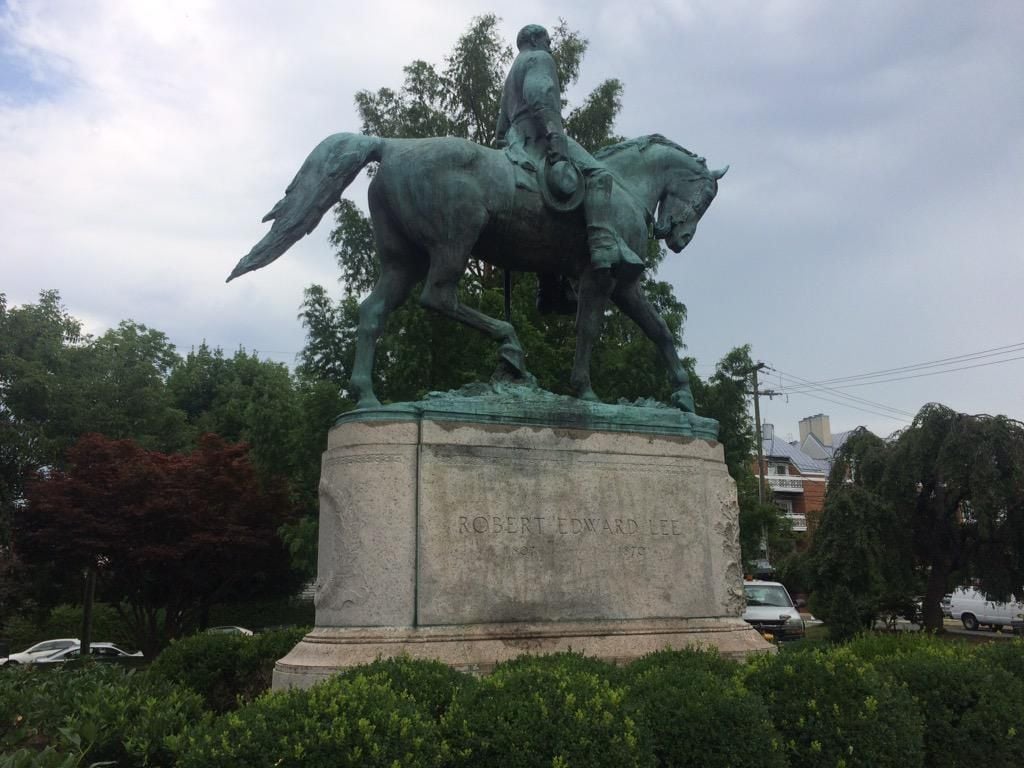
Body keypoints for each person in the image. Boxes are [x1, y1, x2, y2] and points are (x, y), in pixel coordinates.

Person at [496, 24, 645, 314]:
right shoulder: (539, 59)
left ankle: (549, 287)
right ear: (537, 40)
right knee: (600, 174)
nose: (551, 46)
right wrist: (555, 140)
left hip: (515, 142)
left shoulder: (513, 71)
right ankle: (603, 249)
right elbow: (540, 96)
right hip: (539, 136)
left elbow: (501, 128)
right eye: (548, 41)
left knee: (549, 211)